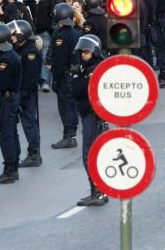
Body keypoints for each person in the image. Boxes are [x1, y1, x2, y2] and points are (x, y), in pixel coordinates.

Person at [70, 35, 108, 207]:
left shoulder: (98, 68)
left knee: (90, 155)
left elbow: (79, 90)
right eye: (82, 52)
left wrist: (80, 78)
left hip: (93, 115)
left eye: (87, 52)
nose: (84, 55)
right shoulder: (84, 68)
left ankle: (97, 192)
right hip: (88, 114)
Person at [0, 24, 22, 185]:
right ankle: (14, 165)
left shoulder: (4, 60)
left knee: (6, 135)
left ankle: (10, 168)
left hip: (7, 100)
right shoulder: (12, 54)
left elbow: (1, 85)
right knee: (12, 132)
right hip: (13, 98)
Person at [47, 4, 80, 148]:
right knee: (72, 105)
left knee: (65, 106)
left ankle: (68, 136)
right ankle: (72, 133)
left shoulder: (61, 36)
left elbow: (59, 61)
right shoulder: (75, 33)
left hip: (65, 76)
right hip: (74, 74)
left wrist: (55, 79)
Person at [10, 20, 42, 168]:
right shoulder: (20, 49)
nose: (12, 37)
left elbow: (30, 78)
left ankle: (34, 154)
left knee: (29, 124)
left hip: (26, 94)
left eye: (14, 35)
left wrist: (22, 95)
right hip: (21, 92)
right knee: (27, 123)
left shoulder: (30, 52)